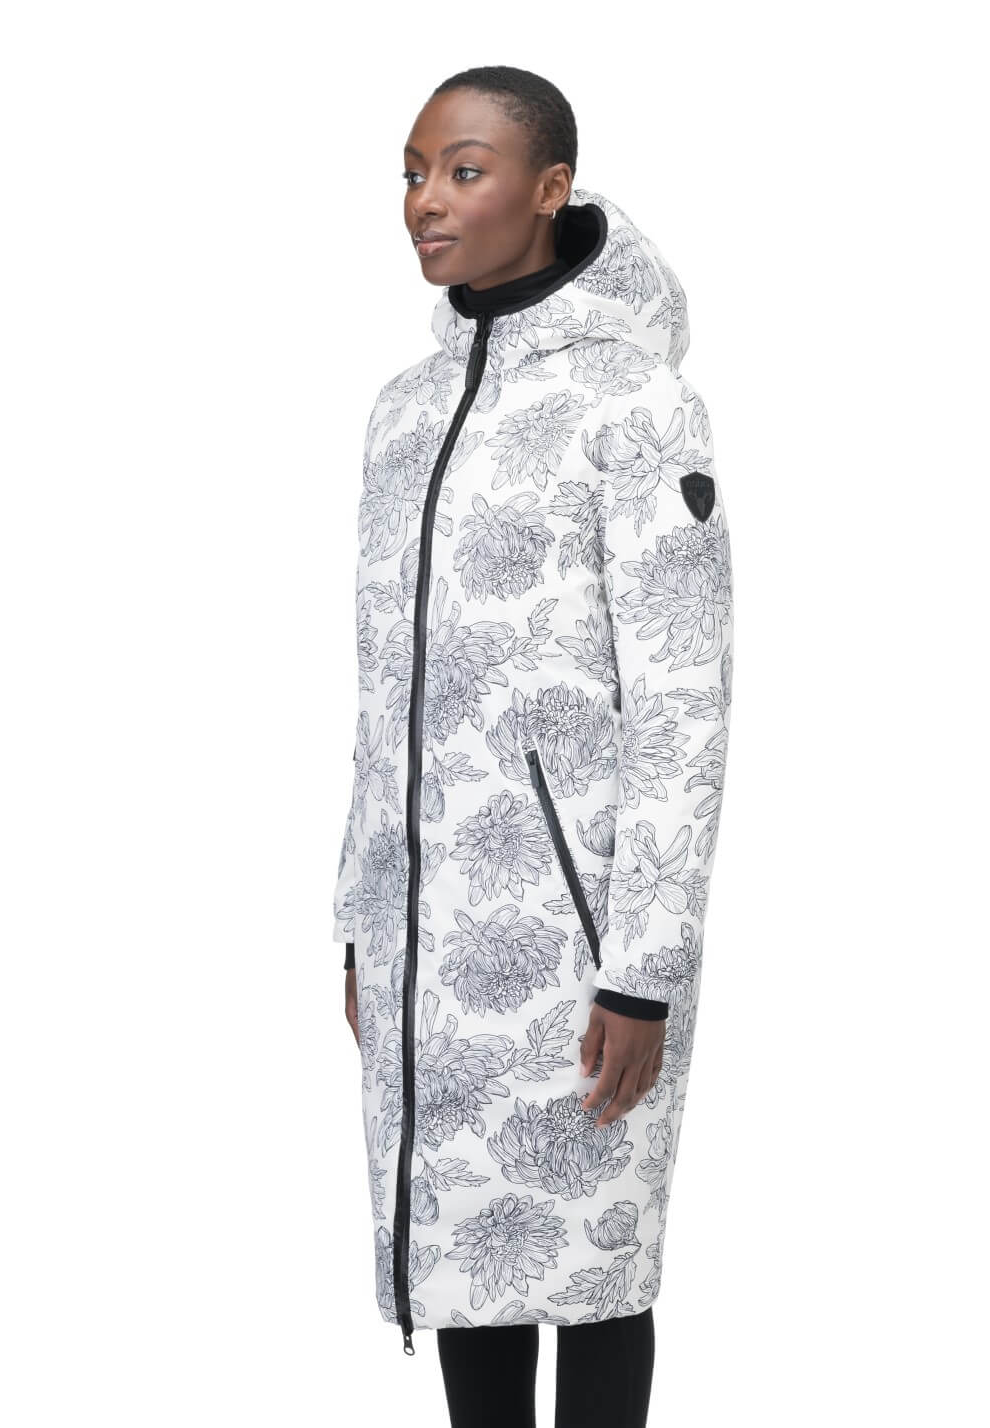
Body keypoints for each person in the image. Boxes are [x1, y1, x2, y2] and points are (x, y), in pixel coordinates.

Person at [332, 64, 733, 1428]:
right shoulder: (402, 412)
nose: (425, 201)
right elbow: (380, 696)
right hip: (422, 932)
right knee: (466, 1259)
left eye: (464, 169)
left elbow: (684, 699)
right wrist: (362, 919)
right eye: (413, 172)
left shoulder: (639, 405)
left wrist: (646, 971)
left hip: (580, 937)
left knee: (596, 1266)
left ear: (551, 188)